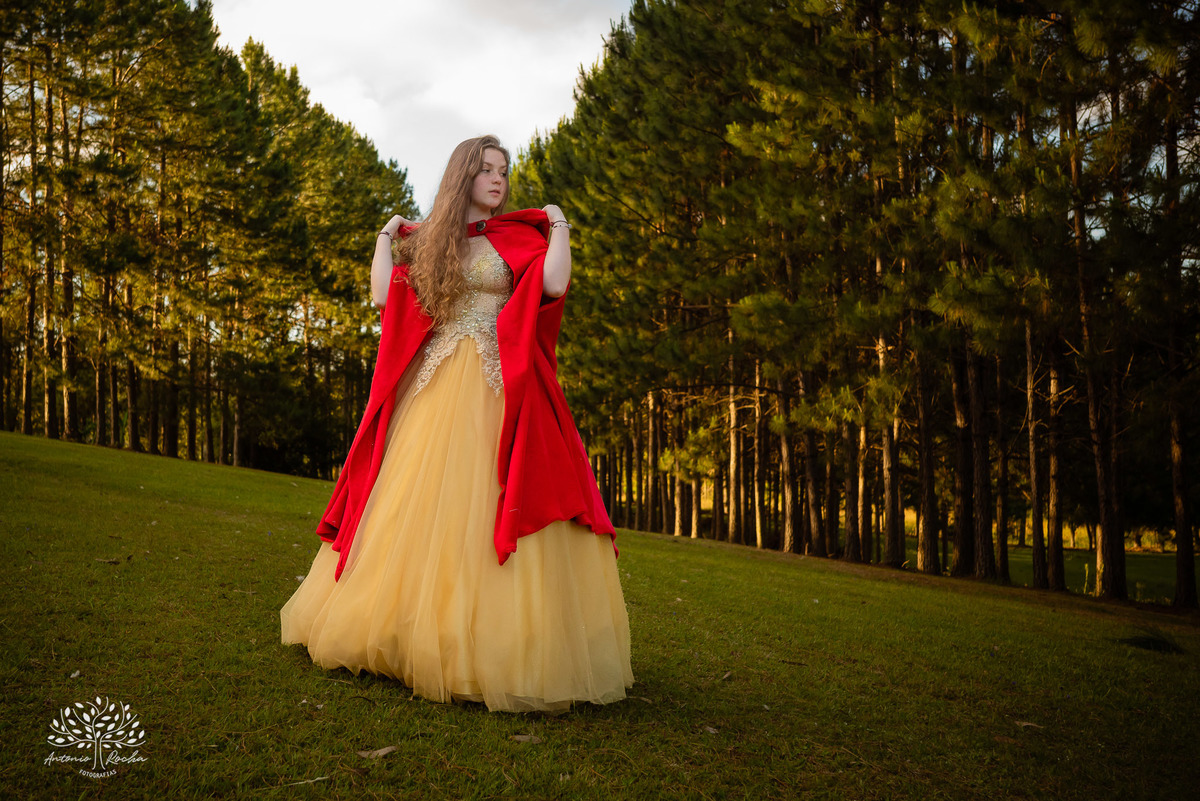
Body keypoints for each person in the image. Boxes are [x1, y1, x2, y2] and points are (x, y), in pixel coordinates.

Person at [280, 135, 633, 713]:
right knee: (417, 509)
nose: (498, 180)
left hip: (499, 384)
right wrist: (386, 238)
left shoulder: (519, 238)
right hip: (436, 386)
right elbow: (383, 299)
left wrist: (560, 224)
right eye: (486, 170)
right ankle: (401, 631)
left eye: (504, 171)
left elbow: (554, 286)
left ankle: (487, 644)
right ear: (463, 175)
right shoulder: (432, 242)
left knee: (488, 500)